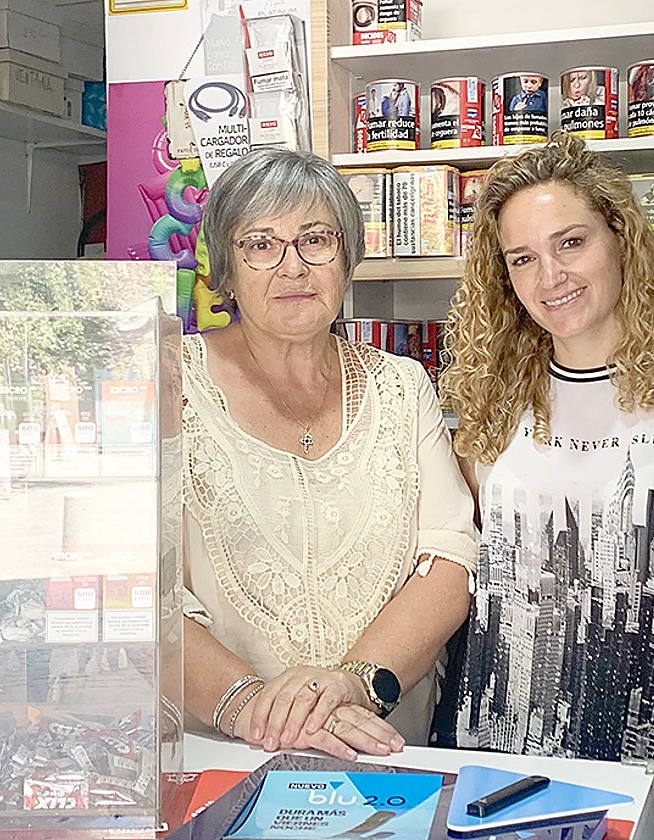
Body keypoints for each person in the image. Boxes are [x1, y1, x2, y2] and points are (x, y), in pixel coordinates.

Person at [435, 133, 654, 840]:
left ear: (620, 238)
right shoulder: (489, 403)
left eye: (571, 242)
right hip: (503, 759)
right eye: (522, 258)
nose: (549, 275)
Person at [183, 147, 478, 762]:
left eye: (316, 240)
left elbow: (449, 557)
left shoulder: (402, 385)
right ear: (224, 271)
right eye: (261, 245)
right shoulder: (168, 386)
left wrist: (353, 683)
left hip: (386, 744)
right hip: (221, 754)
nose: (292, 266)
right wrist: (255, 709)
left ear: (347, 260)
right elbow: (139, 589)